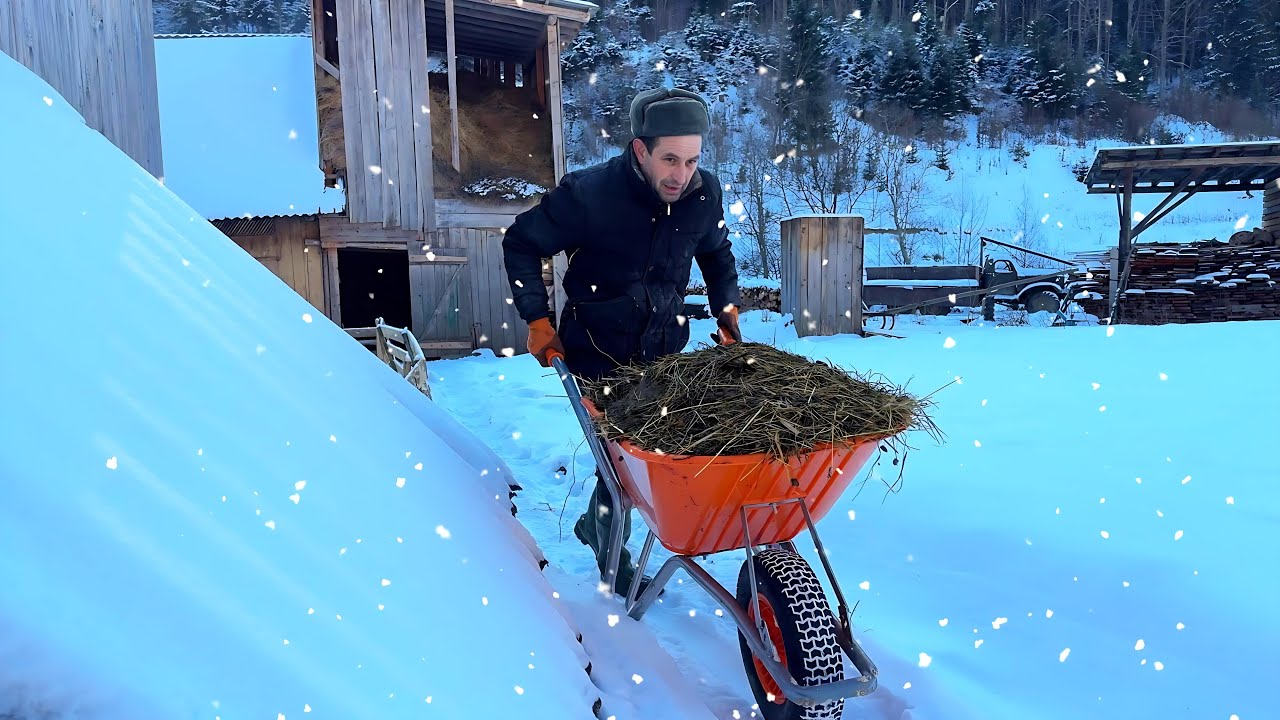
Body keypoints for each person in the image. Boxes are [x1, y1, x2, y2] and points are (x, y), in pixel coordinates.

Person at [501, 87, 742, 594]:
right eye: (670, 159)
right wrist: (537, 319)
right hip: (596, 351)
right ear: (640, 150)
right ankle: (613, 554)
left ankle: (599, 525)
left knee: (644, 456)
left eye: (692, 160)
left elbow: (717, 255)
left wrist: (725, 311)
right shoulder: (590, 194)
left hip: (663, 351)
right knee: (621, 462)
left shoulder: (703, 195)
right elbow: (521, 242)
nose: (681, 174)